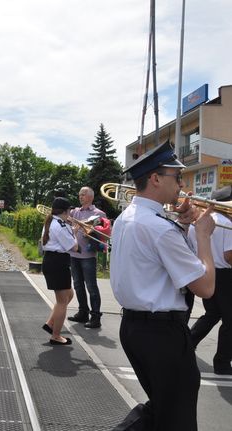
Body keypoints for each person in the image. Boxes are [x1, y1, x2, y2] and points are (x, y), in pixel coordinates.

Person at [110, 141, 215, 430]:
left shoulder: (127, 218)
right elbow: (205, 287)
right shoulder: (158, 227)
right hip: (162, 333)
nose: (181, 184)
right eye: (177, 177)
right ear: (156, 179)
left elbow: (153, 263)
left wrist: (183, 226)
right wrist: (203, 235)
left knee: (162, 410)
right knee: (176, 418)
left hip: (136, 328)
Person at [189, 185, 232, 375]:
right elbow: (229, 256)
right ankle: (222, 363)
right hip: (225, 275)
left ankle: (188, 343)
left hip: (206, 271)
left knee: (212, 313)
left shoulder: (202, 220)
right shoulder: (228, 223)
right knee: (230, 321)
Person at [40, 196, 78, 345]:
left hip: (53, 261)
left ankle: (50, 323)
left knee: (69, 294)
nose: (70, 213)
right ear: (65, 211)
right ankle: (55, 336)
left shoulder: (53, 222)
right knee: (62, 301)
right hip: (58, 263)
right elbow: (73, 247)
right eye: (69, 210)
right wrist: (74, 232)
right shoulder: (60, 225)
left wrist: (71, 229)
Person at [67, 186, 107, 328]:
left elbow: (104, 235)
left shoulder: (99, 213)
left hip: (89, 255)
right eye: (79, 194)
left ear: (90, 196)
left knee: (91, 286)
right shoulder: (74, 212)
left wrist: (91, 232)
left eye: (83, 194)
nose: (80, 196)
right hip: (74, 253)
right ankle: (83, 313)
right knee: (78, 285)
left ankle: (95, 317)